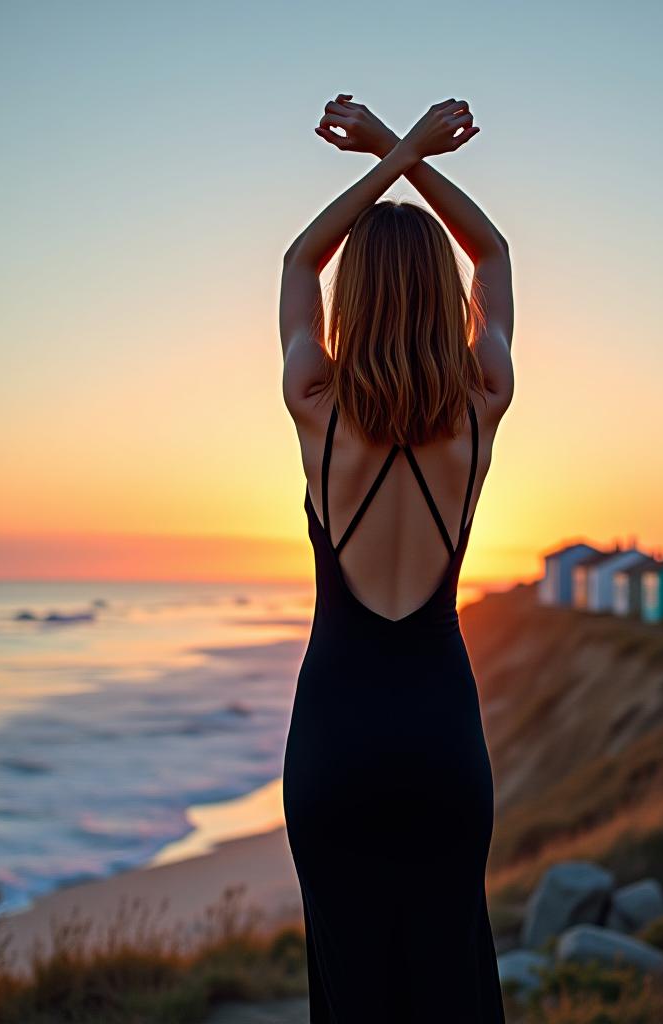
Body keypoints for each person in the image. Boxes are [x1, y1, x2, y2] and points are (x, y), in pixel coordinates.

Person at [279, 94, 514, 1021]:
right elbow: (492, 254)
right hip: (440, 741)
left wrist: (388, 151)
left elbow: (300, 260)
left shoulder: (315, 402)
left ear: (356, 298)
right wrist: (408, 151)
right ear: (441, 297)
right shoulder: (481, 400)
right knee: (453, 985)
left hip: (335, 745)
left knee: (353, 996)